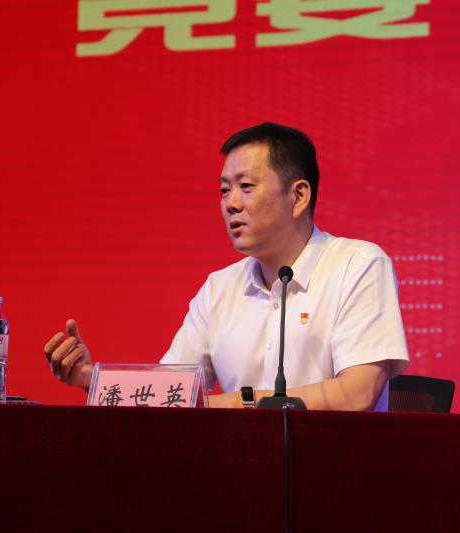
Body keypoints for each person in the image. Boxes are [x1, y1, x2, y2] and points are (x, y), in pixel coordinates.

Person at [44, 123, 409, 410]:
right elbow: (170, 392)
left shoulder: (358, 265)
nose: (231, 204)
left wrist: (237, 402)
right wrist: (91, 379)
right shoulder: (220, 287)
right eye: (224, 190)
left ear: (298, 195)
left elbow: (357, 394)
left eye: (246, 186)